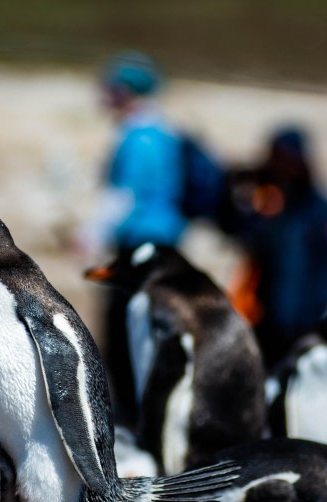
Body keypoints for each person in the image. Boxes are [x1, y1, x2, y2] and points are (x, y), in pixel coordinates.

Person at [79, 52, 187, 424]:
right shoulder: (163, 132)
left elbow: (123, 195)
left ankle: (130, 417)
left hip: (139, 246)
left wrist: (90, 234)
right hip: (167, 244)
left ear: (123, 91)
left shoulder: (137, 137)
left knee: (126, 335)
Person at [225, 126, 327, 368]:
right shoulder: (265, 200)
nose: (281, 165)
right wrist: (242, 198)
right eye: (276, 157)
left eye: (286, 158)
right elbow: (239, 237)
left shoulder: (318, 208)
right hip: (261, 318)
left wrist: (317, 313)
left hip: (302, 320)